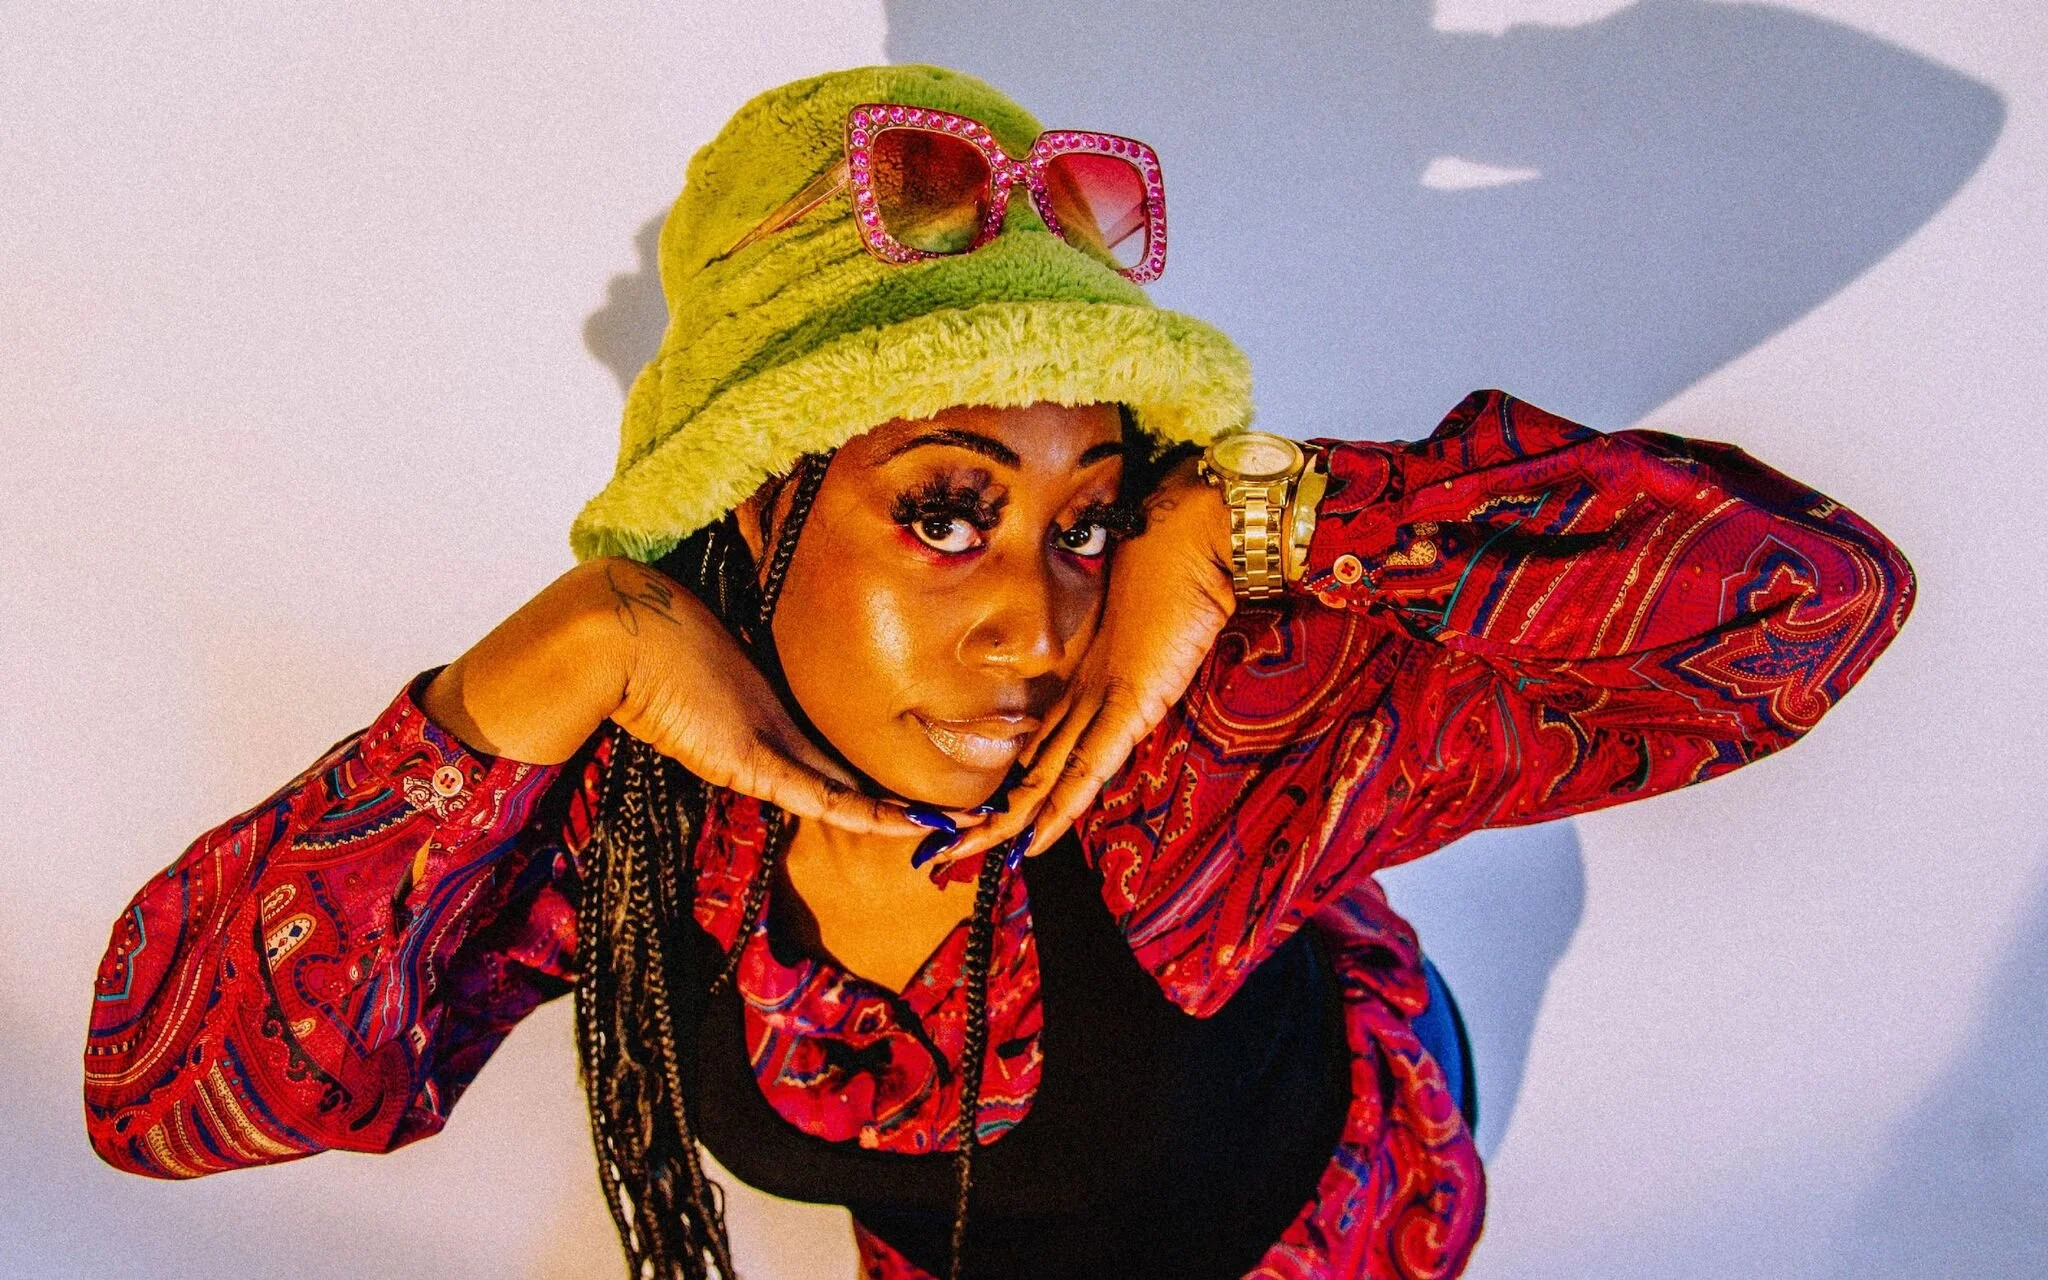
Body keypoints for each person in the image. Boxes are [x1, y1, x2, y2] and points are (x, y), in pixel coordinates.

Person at [82, 64, 1914, 1280]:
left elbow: (1805, 605)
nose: (1041, 629)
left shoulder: (1207, 727)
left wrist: (1260, 518)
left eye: (1090, 519)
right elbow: (170, 1097)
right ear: (753, 512)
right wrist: (538, 664)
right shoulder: (627, 831)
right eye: (948, 511)